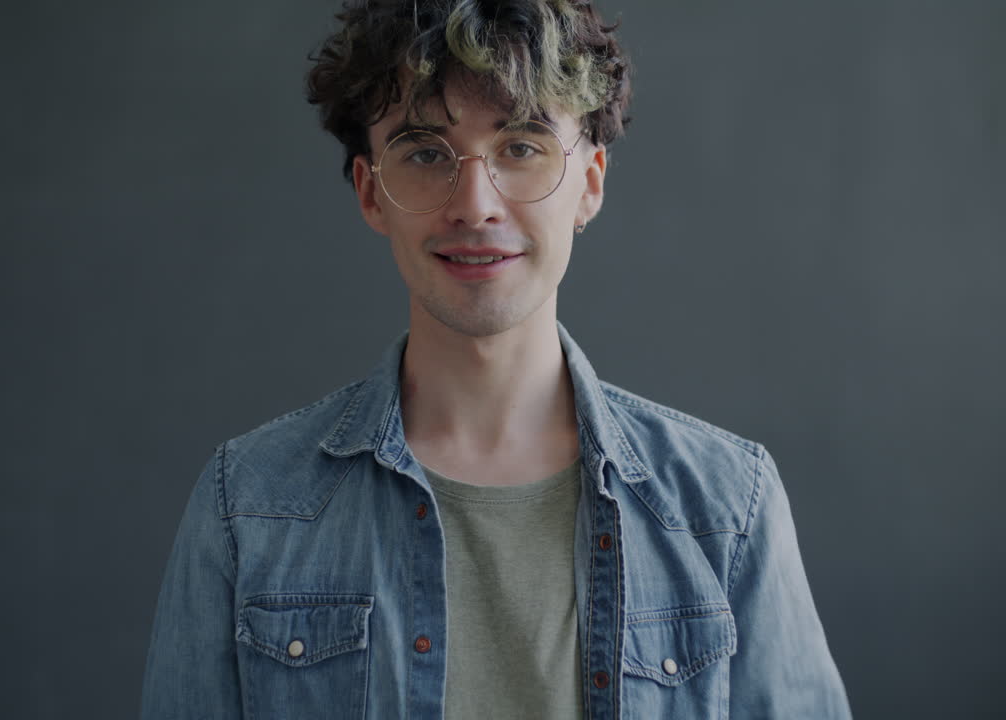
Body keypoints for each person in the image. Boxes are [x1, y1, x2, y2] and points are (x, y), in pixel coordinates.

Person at [141, 1, 852, 717]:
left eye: (521, 146)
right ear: (369, 191)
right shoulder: (249, 507)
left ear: (591, 182)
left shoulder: (727, 508)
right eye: (424, 152)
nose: (475, 205)